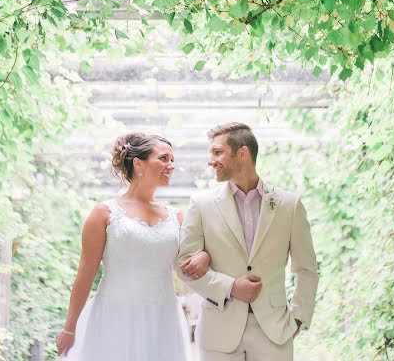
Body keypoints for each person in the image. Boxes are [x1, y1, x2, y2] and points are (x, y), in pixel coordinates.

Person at [55, 133, 211, 360]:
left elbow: (189, 262)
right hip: (115, 316)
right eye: (164, 158)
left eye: (172, 160)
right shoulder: (104, 213)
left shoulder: (177, 217)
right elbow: (85, 275)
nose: (171, 166)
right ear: (139, 164)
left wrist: (204, 256)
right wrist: (70, 328)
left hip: (163, 318)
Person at [177, 122, 319, 361]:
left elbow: (306, 268)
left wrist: (298, 319)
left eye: (217, 152)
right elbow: (184, 267)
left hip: (275, 331)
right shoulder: (201, 204)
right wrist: (231, 287)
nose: (210, 160)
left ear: (242, 153)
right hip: (218, 331)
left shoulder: (289, 205)